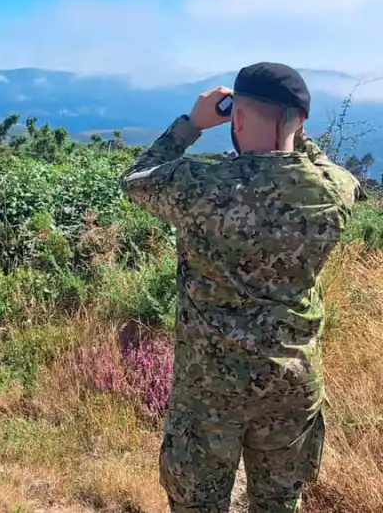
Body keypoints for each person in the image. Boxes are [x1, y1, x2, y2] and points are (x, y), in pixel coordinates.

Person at [119, 62, 364, 512]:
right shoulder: (334, 190)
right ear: (302, 120)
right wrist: (295, 132)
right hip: (291, 387)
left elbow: (135, 180)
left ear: (235, 117)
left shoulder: (199, 185)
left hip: (210, 389)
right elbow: (325, 165)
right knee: (278, 502)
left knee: (198, 504)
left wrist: (191, 124)